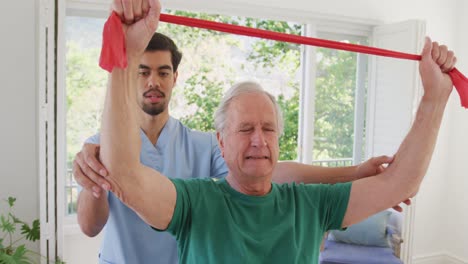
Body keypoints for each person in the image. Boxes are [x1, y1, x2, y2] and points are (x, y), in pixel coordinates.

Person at [74, 2, 409, 264]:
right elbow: (89, 227)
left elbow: (272, 170)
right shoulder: (101, 145)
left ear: (175, 78)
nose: (153, 82)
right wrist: (103, 176)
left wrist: (354, 172)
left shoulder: (202, 144)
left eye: (163, 72)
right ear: (130, 73)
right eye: (142, 71)